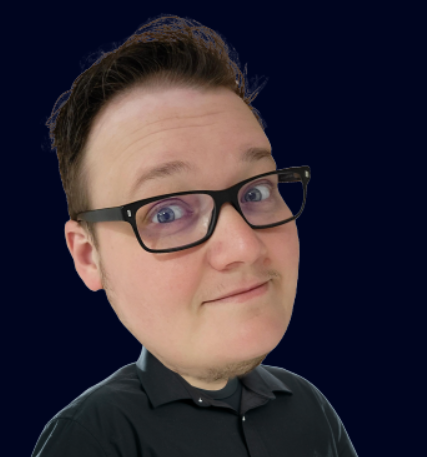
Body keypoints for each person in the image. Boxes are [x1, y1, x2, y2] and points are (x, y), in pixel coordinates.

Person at [32, 14, 357, 457]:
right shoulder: (93, 436)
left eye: (258, 190)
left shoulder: (311, 410)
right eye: (166, 212)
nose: (244, 246)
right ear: (89, 256)